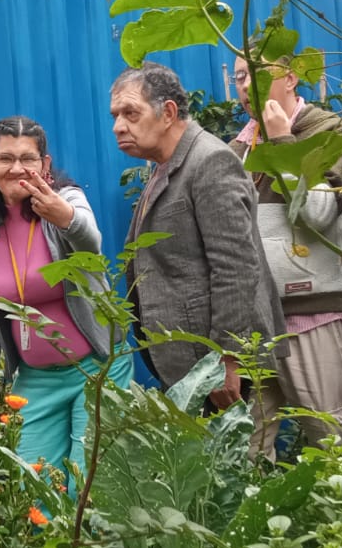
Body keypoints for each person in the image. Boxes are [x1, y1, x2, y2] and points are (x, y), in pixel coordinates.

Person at [112, 62, 287, 406]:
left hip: (217, 366)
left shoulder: (209, 162)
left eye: (131, 113)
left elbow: (236, 267)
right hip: (190, 364)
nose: (119, 126)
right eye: (115, 115)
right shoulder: (167, 164)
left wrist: (225, 360)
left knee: (237, 457)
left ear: (168, 112)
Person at [0, 116, 134, 480]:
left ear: (44, 165)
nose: (17, 168)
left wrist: (65, 219)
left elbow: (90, 241)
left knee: (91, 486)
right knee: (33, 485)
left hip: (96, 369)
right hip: (36, 378)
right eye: (6, 159)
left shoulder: (65, 199)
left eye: (28, 159)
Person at [230, 57, 342, 452]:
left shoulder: (329, 133)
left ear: (290, 78)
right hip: (254, 320)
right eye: (239, 77)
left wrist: (282, 143)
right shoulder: (237, 148)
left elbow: (319, 214)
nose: (245, 85)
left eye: (256, 74)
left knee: (336, 442)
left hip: (312, 311)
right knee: (248, 451)